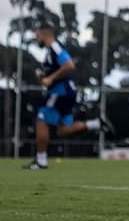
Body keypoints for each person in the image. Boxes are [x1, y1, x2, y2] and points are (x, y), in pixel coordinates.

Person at [22, 23, 114, 169]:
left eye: (37, 35)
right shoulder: (49, 52)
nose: (36, 38)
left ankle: (41, 161)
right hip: (66, 92)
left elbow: (69, 65)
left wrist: (51, 78)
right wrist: (43, 76)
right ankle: (96, 124)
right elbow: (53, 74)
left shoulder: (55, 47)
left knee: (41, 119)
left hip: (60, 92)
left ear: (45, 34)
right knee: (64, 130)